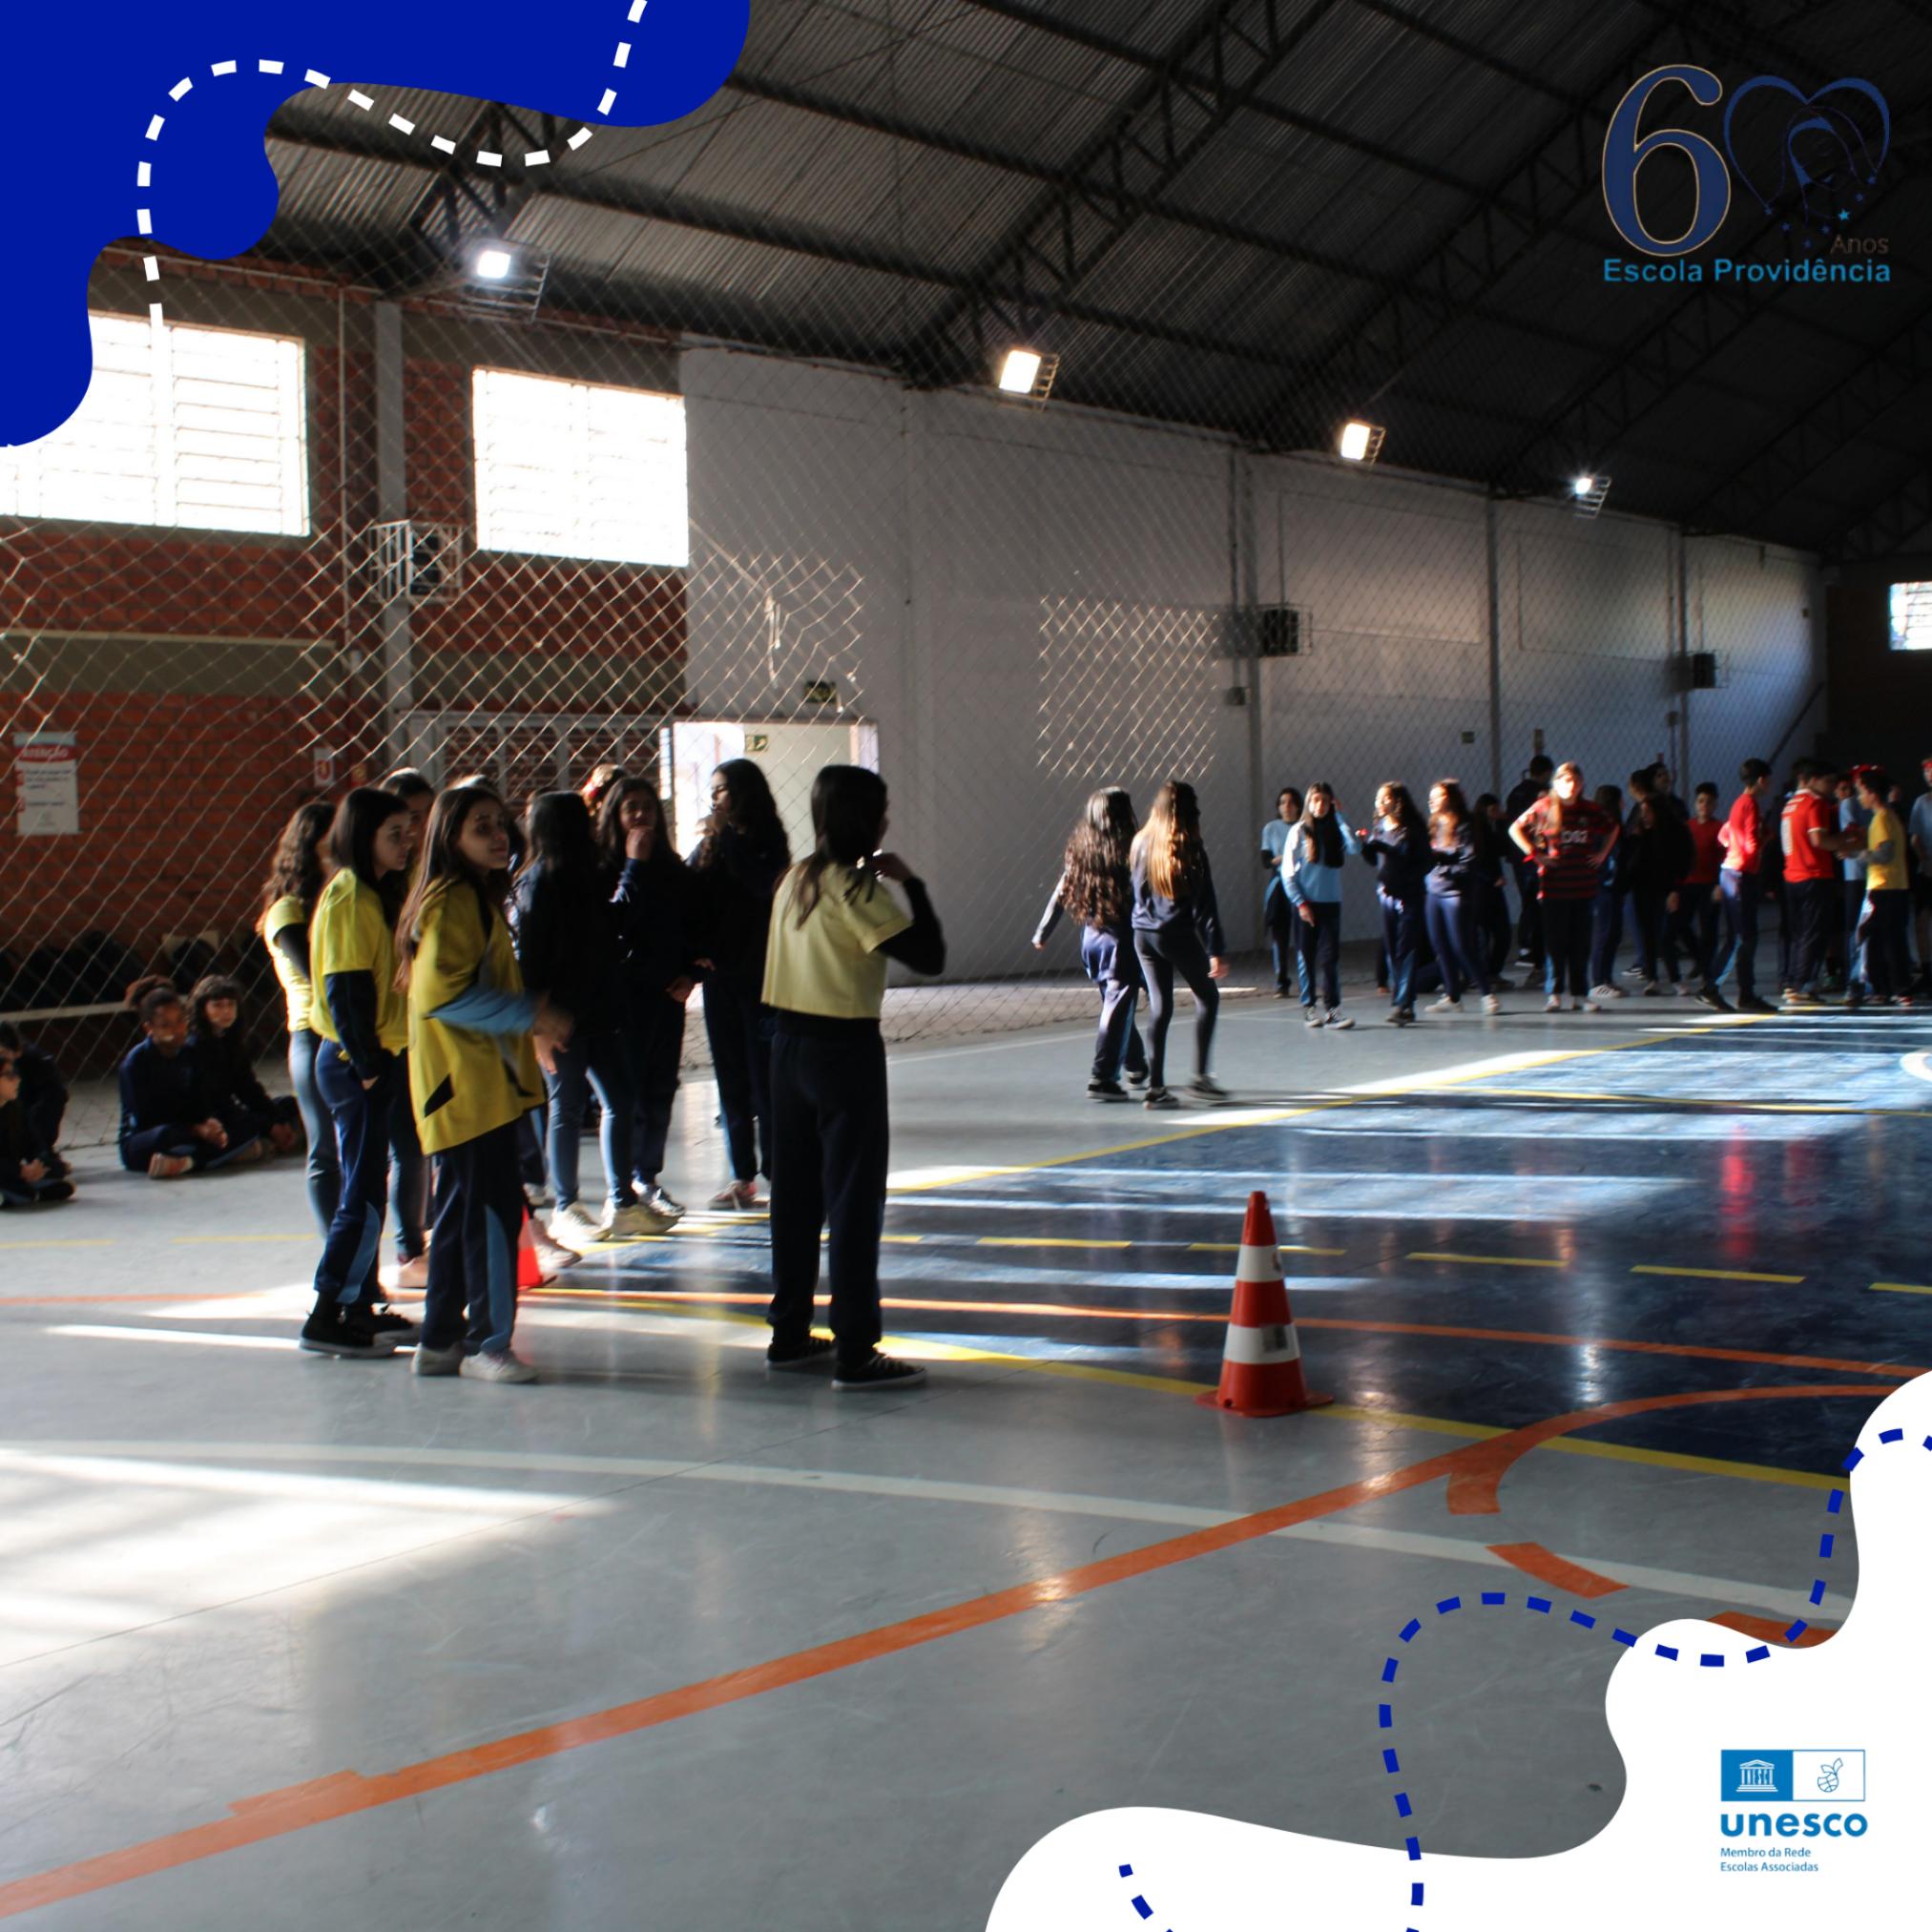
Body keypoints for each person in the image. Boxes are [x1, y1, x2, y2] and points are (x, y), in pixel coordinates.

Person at [763, 764, 944, 1392]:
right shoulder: (855, 887)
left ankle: (789, 1332)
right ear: (863, 818)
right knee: (852, 1200)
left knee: (794, 1199)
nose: (887, 819)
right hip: (843, 1051)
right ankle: (856, 1349)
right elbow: (929, 956)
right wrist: (912, 883)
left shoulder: (795, 879)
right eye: (881, 809)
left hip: (785, 1048)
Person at [401, 783, 569, 1384]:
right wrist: (530, 1014)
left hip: (465, 1091)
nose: (498, 835)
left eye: (500, 823)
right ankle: (488, 1342)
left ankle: (440, 1339)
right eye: (481, 826)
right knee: (495, 1215)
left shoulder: (467, 897)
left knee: (457, 1215)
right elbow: (443, 996)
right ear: (451, 838)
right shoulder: (454, 903)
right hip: (468, 1092)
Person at [301, 787, 420, 1357]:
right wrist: (370, 1066)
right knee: (363, 1194)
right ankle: (328, 1313)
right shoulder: (349, 897)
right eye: (394, 833)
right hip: (355, 1062)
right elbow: (345, 991)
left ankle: (360, 1305)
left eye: (408, 831)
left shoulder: (376, 893)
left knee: (369, 1187)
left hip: (374, 1058)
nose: (407, 842)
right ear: (363, 836)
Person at [515, 793, 661, 1249]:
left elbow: (614, 923)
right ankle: (566, 1206)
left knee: (619, 1098)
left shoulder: (588, 874)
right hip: (561, 1017)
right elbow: (530, 959)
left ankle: (622, 1202)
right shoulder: (538, 882)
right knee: (567, 1105)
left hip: (598, 1011)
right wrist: (538, 1023)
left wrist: (634, 870)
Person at [600, 778, 703, 1221]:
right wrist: (633, 865)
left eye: (647, 806)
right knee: (625, 1093)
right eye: (631, 808)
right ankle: (620, 1187)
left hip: (666, 995)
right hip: (624, 998)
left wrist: (691, 975)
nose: (641, 815)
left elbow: (694, 927)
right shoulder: (606, 867)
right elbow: (615, 924)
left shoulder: (673, 868)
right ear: (615, 816)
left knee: (660, 1089)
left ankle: (647, 1177)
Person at [690, 759, 791, 1205]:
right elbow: (692, 892)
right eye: (712, 791)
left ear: (744, 792)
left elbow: (762, 885)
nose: (714, 799)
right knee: (729, 1077)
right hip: (720, 976)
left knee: (764, 1076)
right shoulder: (713, 843)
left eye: (722, 790)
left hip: (760, 977)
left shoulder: (768, 841)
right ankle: (741, 1174)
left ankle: (777, 1170)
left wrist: (725, 837)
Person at [1033, 786, 1151, 1100]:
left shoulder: (1082, 850)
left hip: (1092, 940)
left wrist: (1043, 932)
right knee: (1118, 1004)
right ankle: (1102, 1078)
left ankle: (1136, 1064)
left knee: (1117, 1005)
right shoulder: (1133, 849)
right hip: (1121, 939)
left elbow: (1061, 892)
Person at [259, 801, 342, 1236]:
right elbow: (320, 974)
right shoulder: (287, 910)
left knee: (368, 1147)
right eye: (333, 839)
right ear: (311, 846)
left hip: (352, 1028)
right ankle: (335, 1247)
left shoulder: (346, 896)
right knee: (325, 1148)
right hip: (313, 1032)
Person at [1129, 780, 1229, 1105]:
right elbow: (1205, 905)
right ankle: (1200, 1078)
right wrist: (1215, 949)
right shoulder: (1189, 846)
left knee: (1161, 1007)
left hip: (1143, 934)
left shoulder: (1140, 842)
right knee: (1208, 997)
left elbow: (1135, 889)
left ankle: (1156, 1087)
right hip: (1176, 933)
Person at [117, 977, 266, 1177]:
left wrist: (210, 1124)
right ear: (149, 1028)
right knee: (166, 1136)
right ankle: (211, 1158)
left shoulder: (191, 1053)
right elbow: (147, 1119)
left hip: (190, 1133)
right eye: (166, 1025)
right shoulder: (135, 1063)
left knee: (247, 1125)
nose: (177, 1030)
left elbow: (201, 1101)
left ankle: (188, 1162)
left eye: (180, 1021)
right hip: (151, 1138)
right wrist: (195, 1129)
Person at [1509, 761, 1616, 1013]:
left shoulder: (1589, 809)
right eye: (1566, 780)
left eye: (1576, 781)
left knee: (1580, 943)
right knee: (1555, 944)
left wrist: (1602, 854)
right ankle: (1554, 994)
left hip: (1583, 887)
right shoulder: (1544, 806)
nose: (1572, 785)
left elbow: (1612, 828)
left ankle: (1580, 994)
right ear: (1556, 782)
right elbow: (1515, 829)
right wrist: (1536, 855)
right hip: (1554, 888)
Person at [189, 975, 302, 1154]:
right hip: (212, 1116)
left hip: (234, 1110)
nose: (226, 1011)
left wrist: (277, 1120)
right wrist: (268, 1126)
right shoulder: (195, 1047)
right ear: (203, 1010)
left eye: (230, 1005)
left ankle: (280, 1137)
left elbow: (248, 1089)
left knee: (292, 1105)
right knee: (241, 1127)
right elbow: (218, 1103)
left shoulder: (231, 1041)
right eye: (218, 1006)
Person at [1282, 782, 1361, 1029]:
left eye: (1325, 801)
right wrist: (1300, 902)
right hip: (1306, 904)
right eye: (1315, 800)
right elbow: (1287, 873)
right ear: (1309, 802)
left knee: (1330, 958)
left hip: (1330, 904)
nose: (1320, 805)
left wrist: (1340, 817)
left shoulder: (1336, 830)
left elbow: (1355, 847)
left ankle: (1333, 1010)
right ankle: (1309, 1007)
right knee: (1306, 956)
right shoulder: (1298, 831)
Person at [1781, 759, 1859, 1008]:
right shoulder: (1815, 803)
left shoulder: (1790, 805)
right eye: (1829, 781)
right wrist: (1847, 842)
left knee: (1799, 933)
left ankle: (1793, 981)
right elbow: (1819, 840)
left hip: (1793, 876)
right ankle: (1802, 984)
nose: (1832, 787)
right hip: (1814, 875)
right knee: (1813, 933)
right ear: (1813, 780)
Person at [1424, 779, 1502, 1014]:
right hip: (1434, 891)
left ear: (1451, 798)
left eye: (1438, 796)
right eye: (1431, 796)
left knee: (1462, 945)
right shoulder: (1434, 823)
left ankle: (1487, 994)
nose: (1432, 801)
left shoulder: (1465, 824)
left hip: (1456, 893)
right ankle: (1452, 996)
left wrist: (1443, 863)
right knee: (1439, 944)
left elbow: (1467, 860)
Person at [1357, 783, 1428, 1025]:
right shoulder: (1379, 828)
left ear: (1398, 801)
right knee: (1391, 949)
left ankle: (1401, 1003)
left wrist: (1383, 848)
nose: (1379, 803)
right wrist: (1365, 846)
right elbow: (1373, 859)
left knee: (1405, 948)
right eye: (1378, 798)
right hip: (1386, 894)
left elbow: (1415, 859)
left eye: (1385, 798)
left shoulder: (1412, 829)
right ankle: (1405, 1002)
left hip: (1409, 894)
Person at [1710, 758, 1775, 1013]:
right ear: (1761, 780)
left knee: (1741, 936)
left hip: (1732, 872)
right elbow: (1750, 844)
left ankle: (1744, 993)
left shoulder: (1739, 803)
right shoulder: (1751, 805)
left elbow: (1724, 836)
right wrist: (1759, 849)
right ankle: (1714, 988)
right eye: (1768, 780)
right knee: (1743, 937)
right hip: (1740, 875)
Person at [1847, 768, 1913, 1008]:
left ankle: (1883, 987)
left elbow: (1885, 854)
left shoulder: (1882, 818)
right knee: (1890, 938)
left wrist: (1856, 854)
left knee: (1871, 937)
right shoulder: (1888, 817)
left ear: (1873, 794)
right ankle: (1895, 988)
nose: (1859, 798)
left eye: (1861, 792)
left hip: (1883, 887)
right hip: (1895, 886)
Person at [1665, 782, 1729, 1008]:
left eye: (1709, 802)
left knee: (1708, 930)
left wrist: (1720, 884)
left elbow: (1724, 859)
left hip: (1709, 886)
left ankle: (1707, 974)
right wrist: (1674, 889)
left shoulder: (1720, 828)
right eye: (1701, 801)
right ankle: (1696, 963)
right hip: (1687, 886)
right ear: (1695, 803)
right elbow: (1678, 859)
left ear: (1715, 804)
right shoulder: (1688, 827)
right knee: (1678, 926)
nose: (1704, 806)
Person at [1623, 795, 1693, 997]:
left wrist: (1675, 890)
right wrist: (1635, 839)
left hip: (1667, 889)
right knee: (1648, 934)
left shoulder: (1675, 833)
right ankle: (1652, 979)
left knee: (1666, 935)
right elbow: (1630, 864)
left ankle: (1675, 978)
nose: (1644, 816)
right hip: (1642, 889)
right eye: (1642, 812)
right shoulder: (1639, 834)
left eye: (1648, 811)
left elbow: (1682, 863)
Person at [0, 1047, 73, 1207]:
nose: (17, 1080)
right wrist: (19, 1171)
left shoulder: (15, 1108)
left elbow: (34, 1144)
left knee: (56, 1169)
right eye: (9, 1076)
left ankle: (24, 1191)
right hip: (7, 1171)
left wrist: (37, 1163)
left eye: (16, 1074)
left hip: (14, 1172)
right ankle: (25, 1192)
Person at [1504, 756, 1553, 967]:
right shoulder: (1541, 795)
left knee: (1528, 900)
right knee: (1537, 902)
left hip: (1518, 855)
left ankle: (1526, 946)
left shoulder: (1515, 792)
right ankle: (1532, 947)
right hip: (1535, 854)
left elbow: (1509, 822)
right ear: (1546, 772)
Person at [0, 1020, 67, 1160]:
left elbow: (54, 1100)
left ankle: (41, 1154)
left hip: (38, 1115)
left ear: (16, 1051)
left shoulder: (36, 1063)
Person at [1260, 787, 1302, 999]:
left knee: (1303, 933)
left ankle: (1306, 979)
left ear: (1298, 806)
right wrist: (1281, 859)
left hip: (1301, 883)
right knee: (1280, 934)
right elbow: (1266, 860)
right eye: (1283, 802)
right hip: (1280, 884)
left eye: (1291, 802)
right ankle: (1282, 981)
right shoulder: (1271, 828)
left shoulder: (1304, 827)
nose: (1287, 806)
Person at [1587, 784, 1627, 1003]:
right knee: (1603, 933)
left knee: (1614, 933)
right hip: (1601, 886)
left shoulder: (1615, 826)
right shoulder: (1599, 826)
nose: (1624, 804)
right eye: (1620, 800)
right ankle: (1597, 982)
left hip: (1613, 886)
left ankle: (1606, 978)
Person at [1910, 756, 1932, 991]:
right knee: (1922, 921)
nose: (1929, 775)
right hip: (1927, 870)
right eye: (1926, 771)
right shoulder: (1922, 802)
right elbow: (1915, 837)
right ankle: (1927, 970)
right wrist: (1924, 858)